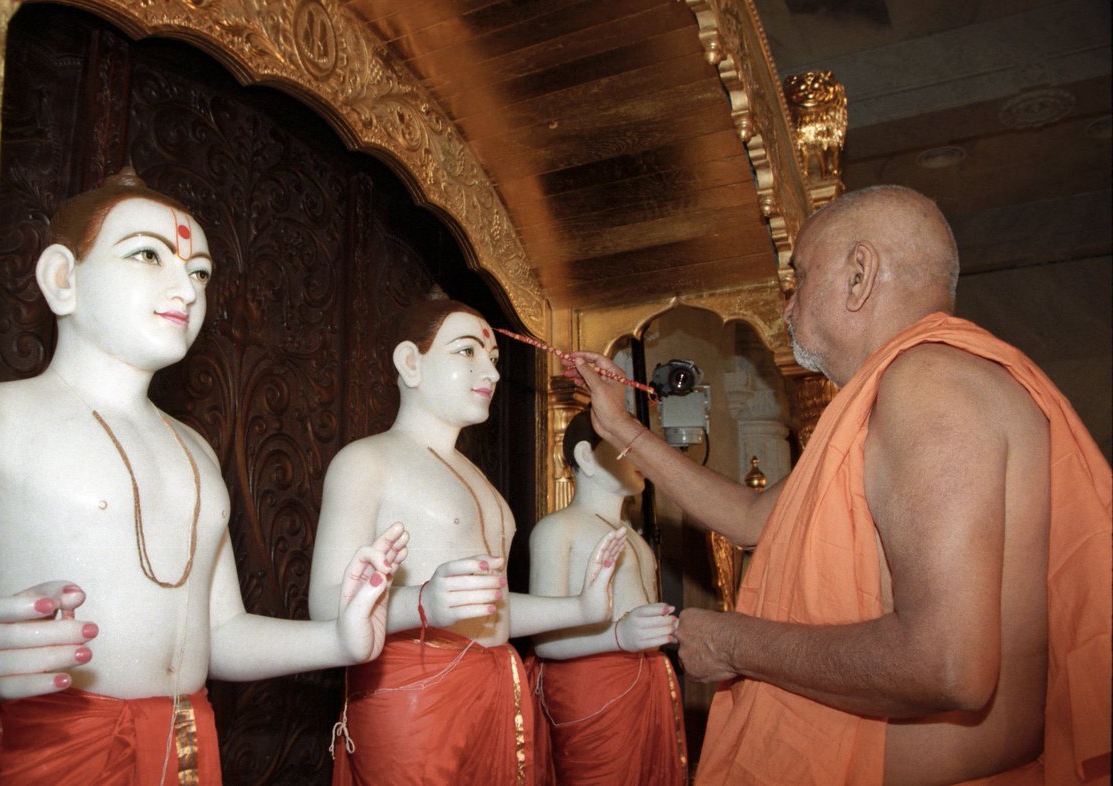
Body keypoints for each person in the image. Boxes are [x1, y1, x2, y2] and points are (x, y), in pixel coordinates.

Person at [568, 185, 1111, 785]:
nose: (788, 306)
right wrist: (619, 425)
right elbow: (754, 518)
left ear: (859, 274)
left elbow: (947, 664)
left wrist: (735, 644)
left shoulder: (928, 383)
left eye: (799, 278)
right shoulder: (919, 386)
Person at [0, 168, 409, 786]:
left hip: (187, 744)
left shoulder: (197, 449)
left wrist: (340, 640)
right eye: (149, 254)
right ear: (63, 279)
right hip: (44, 744)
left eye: (199, 271)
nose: (187, 286)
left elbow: (221, 634)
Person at [308, 293, 627, 785]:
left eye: (495, 359)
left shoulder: (483, 484)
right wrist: (422, 605)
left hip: (497, 687)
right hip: (414, 693)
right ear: (411, 362)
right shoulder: (366, 461)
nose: (493, 373)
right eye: (467, 352)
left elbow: (488, 608)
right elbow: (328, 606)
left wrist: (582, 608)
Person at [528, 408, 686, 785]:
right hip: (591, 689)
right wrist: (619, 637)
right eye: (629, 447)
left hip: (646, 682)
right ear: (586, 456)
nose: (642, 457)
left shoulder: (636, 538)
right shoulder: (557, 529)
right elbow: (545, 641)